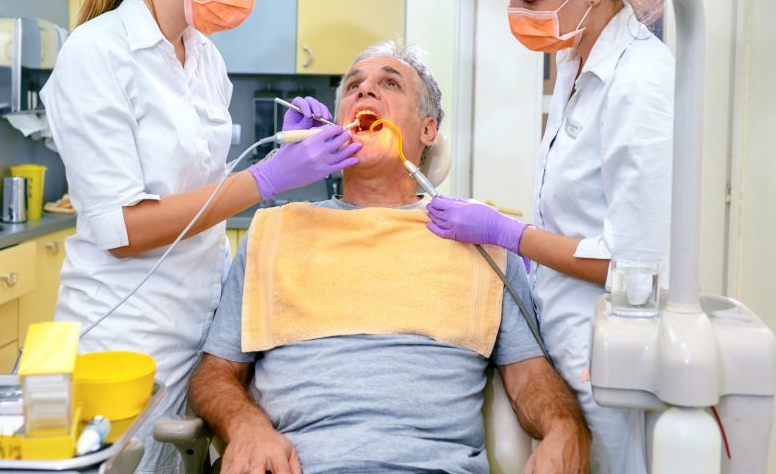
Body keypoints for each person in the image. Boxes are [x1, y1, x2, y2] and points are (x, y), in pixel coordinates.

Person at [40, 0, 360, 472]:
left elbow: (196, 177)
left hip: (200, 335)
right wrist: (267, 178)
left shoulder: (204, 57)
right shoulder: (97, 54)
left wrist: (290, 135)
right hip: (123, 339)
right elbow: (123, 229)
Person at [188, 41, 592, 474]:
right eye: (353, 87)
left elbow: (530, 375)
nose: (364, 92)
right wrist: (245, 424)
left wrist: (566, 430)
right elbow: (214, 374)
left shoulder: (479, 240)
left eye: (389, 83)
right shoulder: (275, 233)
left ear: (427, 130)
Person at [426, 0, 673, 473]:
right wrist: (517, 232)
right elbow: (581, 213)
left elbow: (632, 266)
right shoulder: (575, 61)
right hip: (564, 336)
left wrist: (511, 235)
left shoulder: (642, 83)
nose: (516, 13)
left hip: (609, 354)